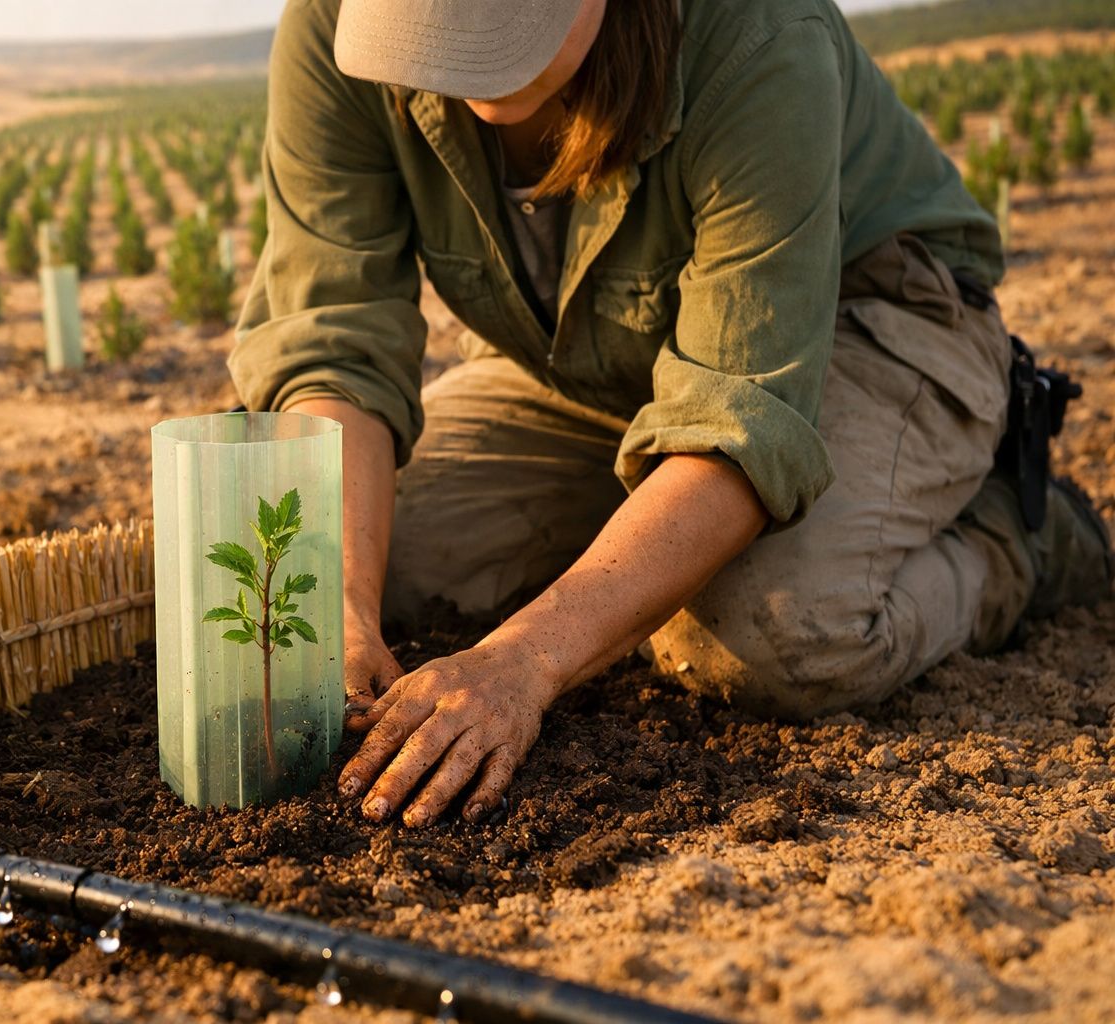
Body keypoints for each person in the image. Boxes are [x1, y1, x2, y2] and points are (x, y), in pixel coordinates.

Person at [229, 0, 1113, 828]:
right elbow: (331, 339)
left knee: (762, 632)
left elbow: (743, 414)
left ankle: (1021, 541)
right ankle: (642, 531)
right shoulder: (332, 28)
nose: (459, 65)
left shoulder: (759, 36)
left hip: (864, 323)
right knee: (388, 556)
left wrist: (522, 663)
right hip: (598, 362)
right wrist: (343, 610)